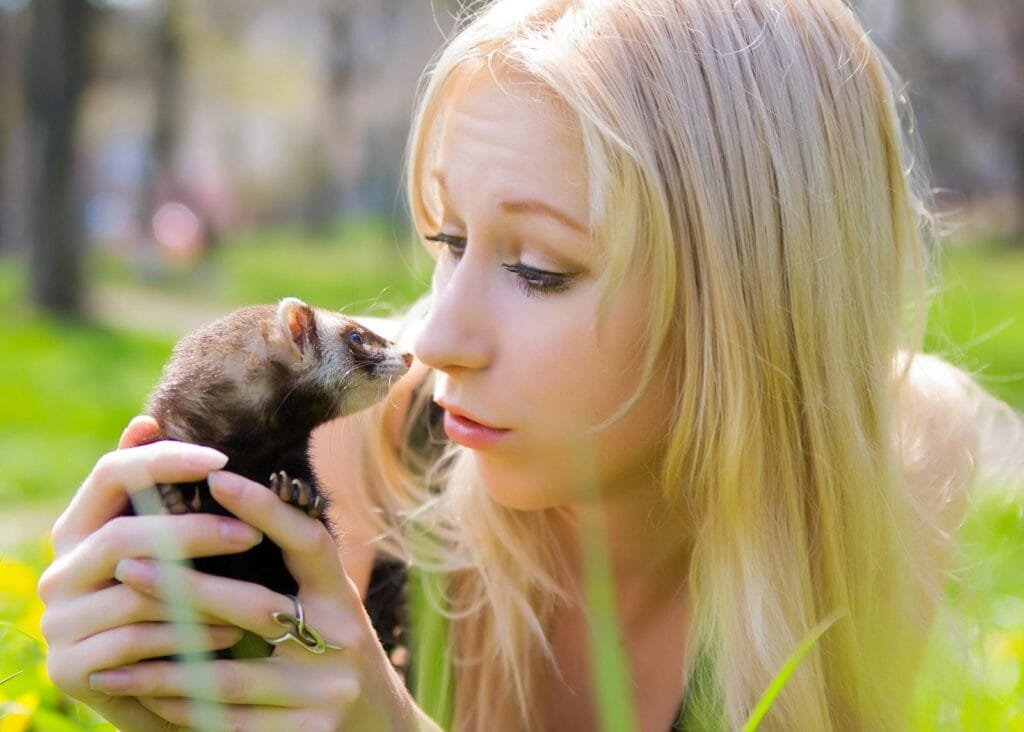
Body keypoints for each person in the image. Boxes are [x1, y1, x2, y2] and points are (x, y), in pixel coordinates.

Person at [37, 0, 1019, 729]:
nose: (436, 341)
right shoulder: (362, 454)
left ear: (753, 300)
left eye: (538, 269)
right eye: (447, 240)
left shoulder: (909, 478)